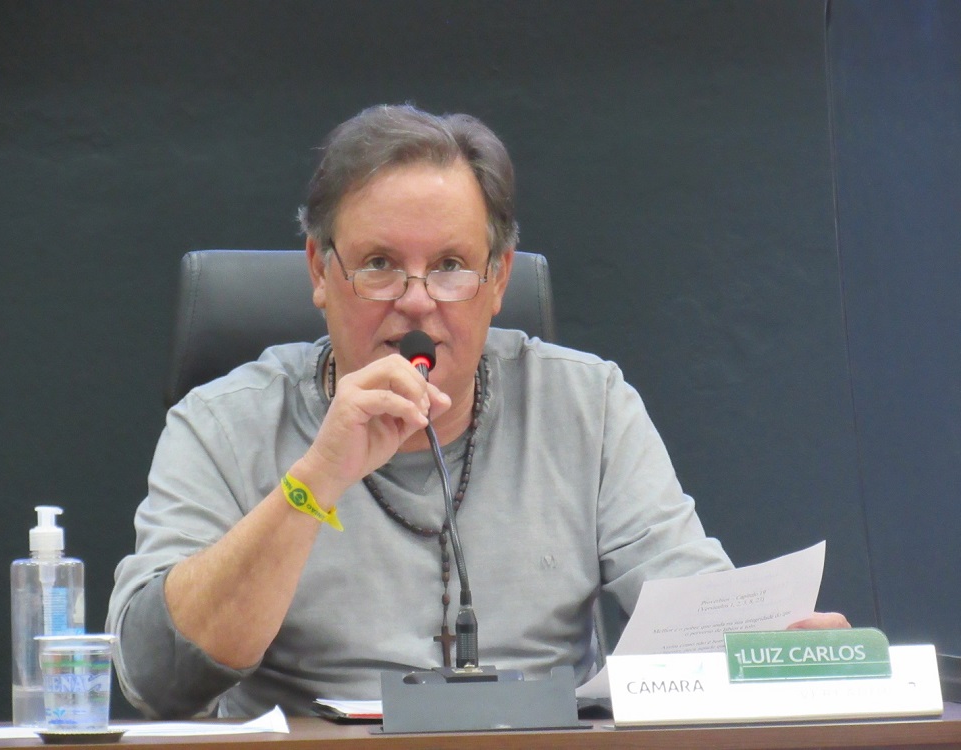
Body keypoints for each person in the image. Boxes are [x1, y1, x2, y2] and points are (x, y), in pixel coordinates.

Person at [107, 103, 847, 719]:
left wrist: (771, 648)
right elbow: (152, 675)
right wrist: (316, 479)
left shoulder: (588, 407)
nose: (417, 301)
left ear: (497, 281)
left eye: (451, 267)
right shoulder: (222, 424)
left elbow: (695, 610)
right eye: (379, 265)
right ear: (320, 271)